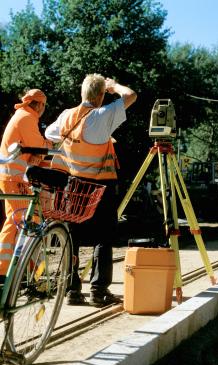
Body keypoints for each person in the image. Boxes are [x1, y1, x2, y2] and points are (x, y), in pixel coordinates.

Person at [45, 74, 137, 306]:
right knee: (103, 238)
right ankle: (98, 291)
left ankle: (71, 290)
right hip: (100, 187)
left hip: (73, 187)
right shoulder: (102, 115)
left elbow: (49, 134)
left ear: (82, 93)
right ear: (100, 95)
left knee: (71, 237)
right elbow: (131, 96)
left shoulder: (67, 115)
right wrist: (114, 86)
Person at [0, 89, 51, 280]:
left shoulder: (22, 116)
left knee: (23, 222)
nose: (44, 110)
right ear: (38, 104)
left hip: (13, 178)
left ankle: (27, 272)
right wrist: (50, 146)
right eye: (44, 105)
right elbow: (38, 146)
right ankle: (9, 271)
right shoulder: (28, 118)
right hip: (15, 179)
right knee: (19, 222)